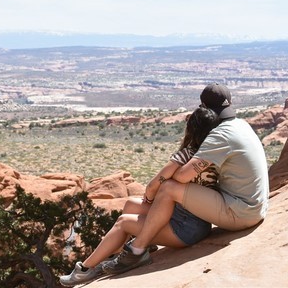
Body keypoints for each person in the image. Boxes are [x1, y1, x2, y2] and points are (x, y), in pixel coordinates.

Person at [102, 83, 269, 275]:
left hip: (240, 213)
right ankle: (147, 241)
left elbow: (182, 176)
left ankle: (137, 250)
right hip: (254, 206)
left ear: (204, 107)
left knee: (169, 188)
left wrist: (172, 166)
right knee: (159, 195)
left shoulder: (220, 135)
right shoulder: (241, 124)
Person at [59, 107, 221, 287]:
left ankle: (85, 270)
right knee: (130, 204)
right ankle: (118, 256)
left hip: (185, 229)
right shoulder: (214, 155)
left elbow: (153, 186)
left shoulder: (185, 155)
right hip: (197, 220)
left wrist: (151, 200)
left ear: (191, 129)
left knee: (123, 222)